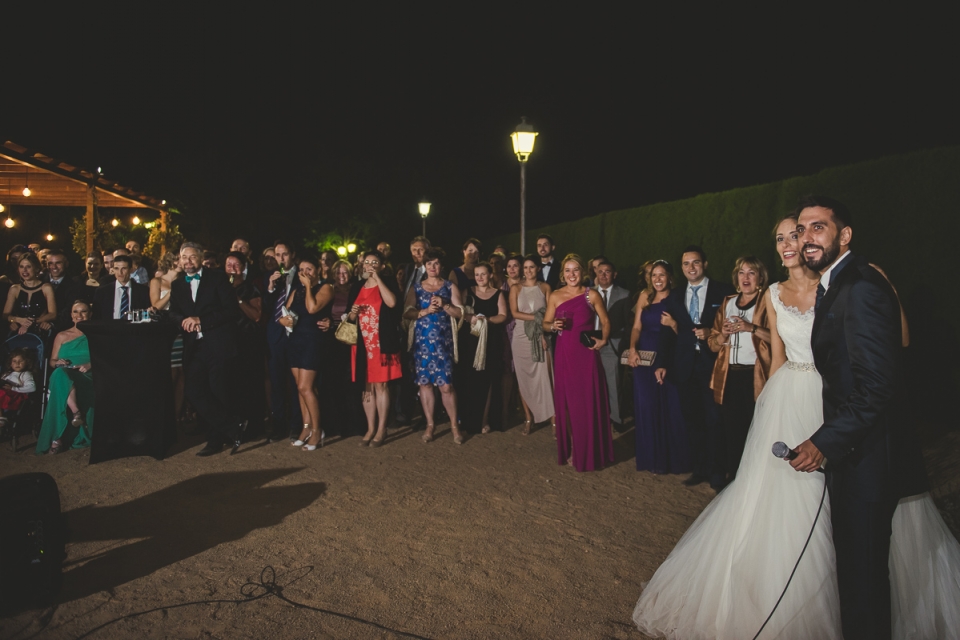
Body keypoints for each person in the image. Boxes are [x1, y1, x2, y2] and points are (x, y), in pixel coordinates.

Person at [632, 213, 960, 640]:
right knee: (786, 499)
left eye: (797, 234)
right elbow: (779, 357)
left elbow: (891, 341)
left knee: (850, 498)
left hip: (834, 397)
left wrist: (886, 287)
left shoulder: (840, 283)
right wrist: (767, 406)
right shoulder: (773, 293)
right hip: (788, 398)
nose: (789, 243)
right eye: (781, 238)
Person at [793, 196, 934, 639]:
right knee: (857, 575)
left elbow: (877, 386)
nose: (806, 237)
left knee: (863, 579)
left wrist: (823, 442)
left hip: (869, 459)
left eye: (818, 227)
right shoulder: (837, 282)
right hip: (855, 455)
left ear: (845, 234)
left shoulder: (861, 286)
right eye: (801, 230)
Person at [655, 245, 734, 491]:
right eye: (686, 263)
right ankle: (699, 469)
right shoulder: (675, 296)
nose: (691, 267)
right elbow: (666, 334)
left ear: (705, 264)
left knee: (715, 419)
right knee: (692, 420)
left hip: (713, 364)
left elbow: (731, 326)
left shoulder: (724, 292)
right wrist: (661, 363)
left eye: (696, 262)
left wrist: (712, 332)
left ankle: (718, 471)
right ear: (681, 268)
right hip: (684, 366)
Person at [169, 242, 246, 457]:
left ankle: (215, 441)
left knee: (218, 392)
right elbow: (173, 313)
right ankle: (234, 427)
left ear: (201, 259)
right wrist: (183, 320)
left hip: (218, 344)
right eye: (184, 257)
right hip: (195, 346)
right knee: (193, 391)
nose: (188, 261)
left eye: (192, 257)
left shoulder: (218, 278)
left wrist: (201, 320)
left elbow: (231, 311)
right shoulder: (177, 285)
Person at [543, 254, 613, 471]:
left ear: (582, 272)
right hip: (564, 354)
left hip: (586, 355)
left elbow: (606, 321)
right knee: (568, 405)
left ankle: (591, 449)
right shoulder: (555, 296)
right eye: (567, 270)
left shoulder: (591, 295)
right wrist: (552, 326)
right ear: (562, 274)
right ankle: (574, 447)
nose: (571, 274)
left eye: (575, 270)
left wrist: (603, 340)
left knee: (587, 403)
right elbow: (545, 323)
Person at [707, 256, 772, 482]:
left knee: (757, 432)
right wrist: (723, 335)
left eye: (751, 273)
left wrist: (750, 327)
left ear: (760, 278)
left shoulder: (768, 301)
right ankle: (735, 480)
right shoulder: (728, 303)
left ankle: (757, 481)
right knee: (732, 433)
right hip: (729, 377)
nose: (746, 277)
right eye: (742, 272)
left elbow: (779, 339)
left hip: (757, 378)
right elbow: (713, 344)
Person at [626, 260, 691, 474]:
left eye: (662, 275)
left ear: (670, 277)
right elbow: (636, 327)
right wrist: (632, 348)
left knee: (670, 406)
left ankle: (673, 460)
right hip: (643, 358)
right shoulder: (644, 297)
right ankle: (650, 457)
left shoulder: (678, 297)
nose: (657, 279)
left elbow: (686, 332)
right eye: (654, 275)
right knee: (646, 406)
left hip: (666, 356)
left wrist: (673, 324)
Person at [403, 248, 464, 444]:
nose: (432, 267)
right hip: (422, 344)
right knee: (425, 384)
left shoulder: (449, 286)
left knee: (446, 386)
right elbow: (407, 312)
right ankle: (430, 424)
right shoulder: (417, 287)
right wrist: (425, 311)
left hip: (443, 344)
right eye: (429, 263)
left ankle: (454, 426)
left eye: (436, 263)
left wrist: (445, 304)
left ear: (441, 266)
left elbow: (460, 313)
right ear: (424, 266)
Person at [346, 250, 402, 447]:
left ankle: (381, 428)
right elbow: (349, 317)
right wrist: (353, 313)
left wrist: (377, 278)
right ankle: (370, 428)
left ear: (382, 266)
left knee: (381, 386)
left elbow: (392, 303)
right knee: (367, 387)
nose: (369, 265)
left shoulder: (388, 283)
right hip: (362, 345)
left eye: (374, 262)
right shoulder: (357, 286)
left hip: (381, 343)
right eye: (367, 262)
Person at [280, 255, 333, 451]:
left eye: (309, 269)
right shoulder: (296, 290)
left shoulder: (326, 288)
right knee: (300, 388)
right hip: (296, 341)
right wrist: (283, 321)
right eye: (301, 270)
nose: (304, 273)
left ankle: (317, 430)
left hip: (313, 341)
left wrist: (309, 286)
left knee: (306, 387)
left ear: (317, 270)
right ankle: (306, 427)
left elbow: (312, 308)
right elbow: (285, 312)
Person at [35, 301, 94, 455]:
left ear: (90, 314)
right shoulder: (62, 335)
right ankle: (76, 412)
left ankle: (57, 438)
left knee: (60, 379)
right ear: (71, 315)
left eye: (83, 311)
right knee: (59, 374)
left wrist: (90, 364)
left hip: (87, 376)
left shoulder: (96, 334)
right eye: (75, 312)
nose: (79, 315)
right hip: (65, 373)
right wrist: (58, 363)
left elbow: (104, 359)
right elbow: (52, 361)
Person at [457, 261, 508, 434]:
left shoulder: (498, 294)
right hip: (471, 341)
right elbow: (460, 312)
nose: (479, 277)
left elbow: (503, 315)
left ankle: (485, 420)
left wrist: (487, 320)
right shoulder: (468, 292)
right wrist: (471, 318)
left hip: (491, 341)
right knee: (471, 380)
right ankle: (469, 420)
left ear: (490, 275)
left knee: (488, 380)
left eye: (483, 274)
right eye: (477, 274)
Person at [510, 256, 554, 434]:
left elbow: (550, 313)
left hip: (541, 336)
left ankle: (553, 419)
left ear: (538, 269)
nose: (528, 271)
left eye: (532, 267)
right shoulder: (516, 288)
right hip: (521, 337)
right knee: (524, 379)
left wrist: (543, 330)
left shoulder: (545, 288)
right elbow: (515, 313)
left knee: (546, 377)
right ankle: (529, 418)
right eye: (526, 267)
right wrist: (537, 317)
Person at [263, 241, 302, 440]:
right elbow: (265, 308)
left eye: (284, 254)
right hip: (276, 336)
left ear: (292, 255)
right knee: (277, 382)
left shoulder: (301, 275)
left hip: (296, 333)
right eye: (277, 255)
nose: (281, 258)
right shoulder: (271, 277)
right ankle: (278, 424)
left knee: (296, 383)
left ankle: (297, 424)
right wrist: (270, 287)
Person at [225, 251, 265, 434]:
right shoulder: (221, 287)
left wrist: (238, 300)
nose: (232, 269)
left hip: (248, 341)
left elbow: (256, 316)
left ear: (243, 268)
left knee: (249, 383)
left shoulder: (250, 288)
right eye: (229, 265)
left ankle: (254, 425)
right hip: (228, 342)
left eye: (236, 265)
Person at [592, 260, 631, 431]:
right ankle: (598, 417)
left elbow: (628, 324)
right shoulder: (587, 294)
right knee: (593, 384)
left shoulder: (624, 294)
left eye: (607, 271)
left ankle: (616, 418)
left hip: (612, 346)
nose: (603, 275)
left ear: (614, 275)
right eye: (600, 271)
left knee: (614, 384)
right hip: (591, 344)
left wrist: (622, 345)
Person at [149, 252, 186, 423]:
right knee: (170, 373)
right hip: (165, 330)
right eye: (179, 258)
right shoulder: (157, 281)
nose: (181, 262)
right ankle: (165, 415)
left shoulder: (185, 280)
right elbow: (156, 305)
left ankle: (177, 416)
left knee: (182, 373)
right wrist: (172, 291)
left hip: (182, 329)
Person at [3, 253, 56, 338]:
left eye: (28, 267)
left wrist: (31, 323)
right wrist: (17, 320)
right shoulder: (15, 289)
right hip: (18, 331)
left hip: (39, 331)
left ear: (36, 268)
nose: (24, 270)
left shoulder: (46, 288)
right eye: (21, 267)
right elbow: (5, 315)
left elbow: (52, 314)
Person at [92, 254, 149, 320]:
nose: (120, 272)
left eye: (124, 268)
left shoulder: (143, 291)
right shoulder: (102, 292)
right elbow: (96, 317)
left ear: (130, 269)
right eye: (116, 268)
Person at [44, 249, 85, 334]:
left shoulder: (75, 285)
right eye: (50, 263)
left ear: (66, 264)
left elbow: (69, 309)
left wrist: (52, 324)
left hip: (62, 330)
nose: (54, 267)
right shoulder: (40, 281)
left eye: (58, 263)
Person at [0, 348, 37, 428]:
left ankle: (1, 417)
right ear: (10, 363)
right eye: (14, 361)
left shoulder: (26, 374)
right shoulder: (7, 374)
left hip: (15, 397)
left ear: (27, 362)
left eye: (21, 361)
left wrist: (14, 388)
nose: (17, 363)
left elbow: (32, 387)